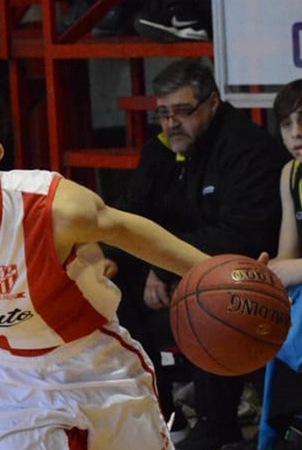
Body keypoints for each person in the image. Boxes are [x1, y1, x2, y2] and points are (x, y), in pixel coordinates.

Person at [0, 74, 212, 450]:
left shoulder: (53, 208)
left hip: (93, 360)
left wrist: (222, 273)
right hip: (3, 376)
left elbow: (132, 232)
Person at [105, 59, 289, 450]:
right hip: (181, 271)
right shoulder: (162, 150)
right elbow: (131, 212)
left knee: (209, 301)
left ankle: (218, 425)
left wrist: (165, 268)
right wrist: (106, 255)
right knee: (109, 286)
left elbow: (239, 236)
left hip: (246, 281)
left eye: (183, 111)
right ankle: (161, 412)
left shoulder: (248, 151)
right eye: (163, 113)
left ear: (212, 103)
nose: (171, 123)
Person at [262, 78, 302, 450]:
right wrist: (263, 274)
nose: (297, 133)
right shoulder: (290, 174)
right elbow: (286, 255)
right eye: (287, 124)